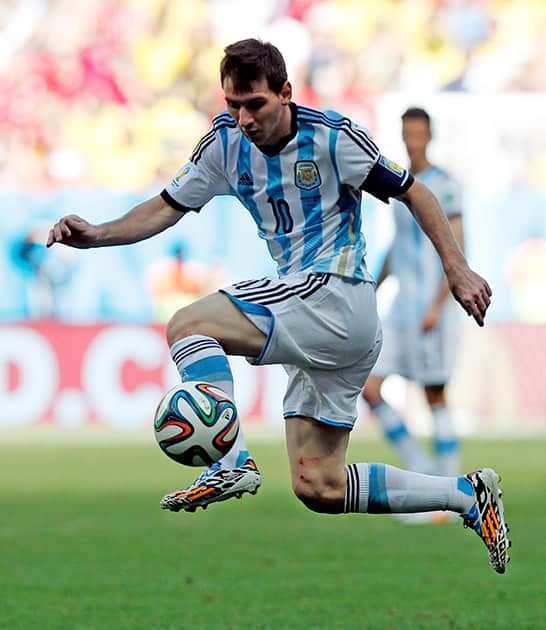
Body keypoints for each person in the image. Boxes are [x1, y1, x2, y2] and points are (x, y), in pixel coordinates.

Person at [47, 39, 509, 573]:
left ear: (286, 94)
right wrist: (98, 234)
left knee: (187, 324)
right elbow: (164, 208)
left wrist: (456, 268)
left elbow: (416, 193)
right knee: (320, 485)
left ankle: (233, 460)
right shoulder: (223, 145)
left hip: (333, 294)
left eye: (256, 105)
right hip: (329, 324)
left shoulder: (332, 136)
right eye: (233, 106)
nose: (244, 119)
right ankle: (465, 495)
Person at [363, 108, 464, 505]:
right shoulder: (401, 183)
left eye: (419, 132)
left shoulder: (445, 185)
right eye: (407, 133)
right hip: (401, 307)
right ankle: (422, 467)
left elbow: (457, 247)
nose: (412, 139)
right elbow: (400, 246)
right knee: (369, 386)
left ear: (429, 135)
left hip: (430, 307)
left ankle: (454, 480)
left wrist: (440, 304)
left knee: (434, 393)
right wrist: (374, 286)